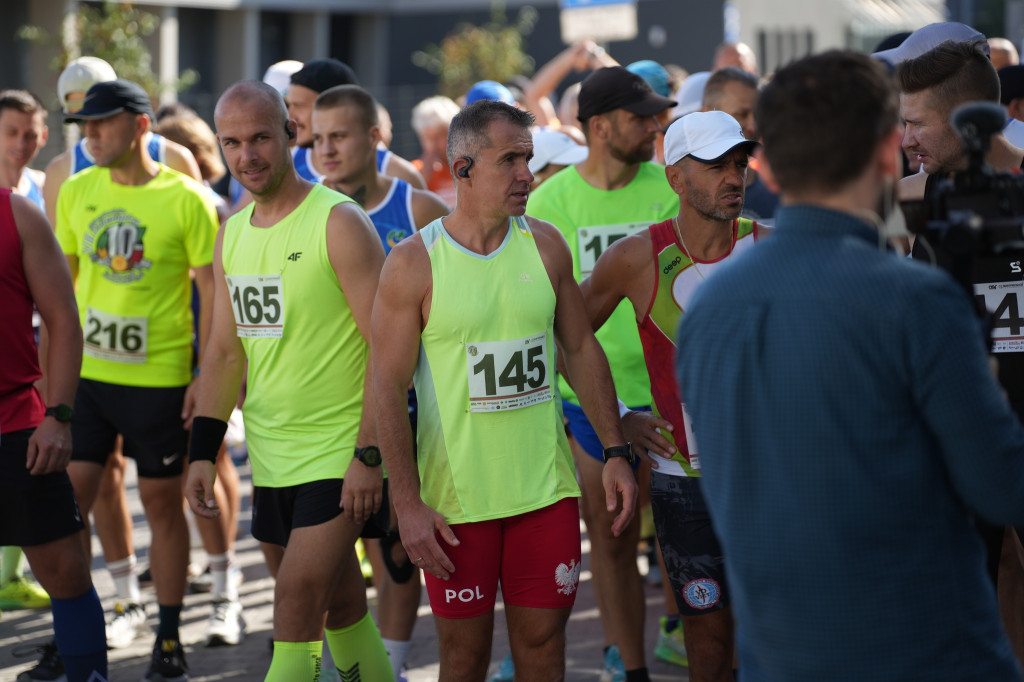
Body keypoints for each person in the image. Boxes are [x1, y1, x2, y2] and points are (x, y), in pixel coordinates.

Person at [676, 48, 1024, 682]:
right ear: (890, 154)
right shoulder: (916, 302)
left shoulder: (709, 308)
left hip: (782, 654)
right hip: (928, 652)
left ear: (769, 169)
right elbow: (1002, 485)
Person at [371, 98, 637, 682]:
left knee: (543, 650)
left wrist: (616, 451)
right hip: (455, 508)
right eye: (510, 160)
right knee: (463, 659)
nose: (528, 175)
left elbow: (579, 349)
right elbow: (385, 388)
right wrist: (408, 503)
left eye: (530, 159)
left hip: (545, 494)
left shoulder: (545, 246)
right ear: (463, 168)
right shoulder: (415, 262)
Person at [186, 80, 393, 682]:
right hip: (271, 455)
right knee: (343, 607)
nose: (247, 155)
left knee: (294, 604)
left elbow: (389, 351)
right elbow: (225, 355)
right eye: (231, 143)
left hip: (338, 453)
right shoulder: (233, 232)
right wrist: (203, 451)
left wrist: (369, 453)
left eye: (259, 138)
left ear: (290, 133)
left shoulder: (339, 222)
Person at [55, 78, 225, 680]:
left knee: (161, 504)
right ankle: (71, 625)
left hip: (159, 380)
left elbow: (212, 291)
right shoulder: (76, 191)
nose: (90, 135)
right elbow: (62, 294)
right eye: (84, 126)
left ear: (142, 126)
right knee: (66, 503)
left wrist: (203, 374)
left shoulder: (187, 199)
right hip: (90, 380)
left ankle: (169, 635)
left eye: (101, 123)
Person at [582, 111, 759, 682]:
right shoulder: (637, 258)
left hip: (769, 479)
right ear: (676, 178)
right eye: (716, 166)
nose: (734, 177)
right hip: (684, 484)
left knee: (772, 632)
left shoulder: (771, 247)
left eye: (739, 163)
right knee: (707, 640)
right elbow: (569, 340)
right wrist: (622, 423)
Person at [527, 65, 677, 682]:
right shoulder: (547, 203)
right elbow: (539, 313)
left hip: (671, 396)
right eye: (641, 117)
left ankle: (694, 644)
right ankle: (630, 666)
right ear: (599, 126)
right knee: (612, 540)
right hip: (592, 403)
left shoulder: (667, 189)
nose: (654, 125)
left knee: (681, 541)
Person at [311, 83, 448, 680]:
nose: (326, 150)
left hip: (412, 405)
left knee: (397, 549)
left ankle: (389, 666)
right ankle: (353, 662)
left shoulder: (416, 208)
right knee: (337, 552)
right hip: (334, 408)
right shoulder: (309, 210)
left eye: (338, 136)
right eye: (316, 139)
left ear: (375, 137)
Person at [2, 188, 108, 682]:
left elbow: (64, 320)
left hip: (17, 426)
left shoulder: (16, 212)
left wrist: (58, 416)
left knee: (66, 572)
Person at [285, 58, 425, 190]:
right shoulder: (287, 168)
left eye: (299, 105)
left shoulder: (401, 178)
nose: (290, 116)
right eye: (288, 105)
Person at [702, 67, 779, 220]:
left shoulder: (778, 193)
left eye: (757, 114)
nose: (753, 126)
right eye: (741, 114)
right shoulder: (683, 193)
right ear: (708, 115)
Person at [410, 95, 461, 207]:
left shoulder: (467, 166)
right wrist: (423, 176)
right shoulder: (414, 171)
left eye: (439, 137)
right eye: (427, 138)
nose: (433, 145)